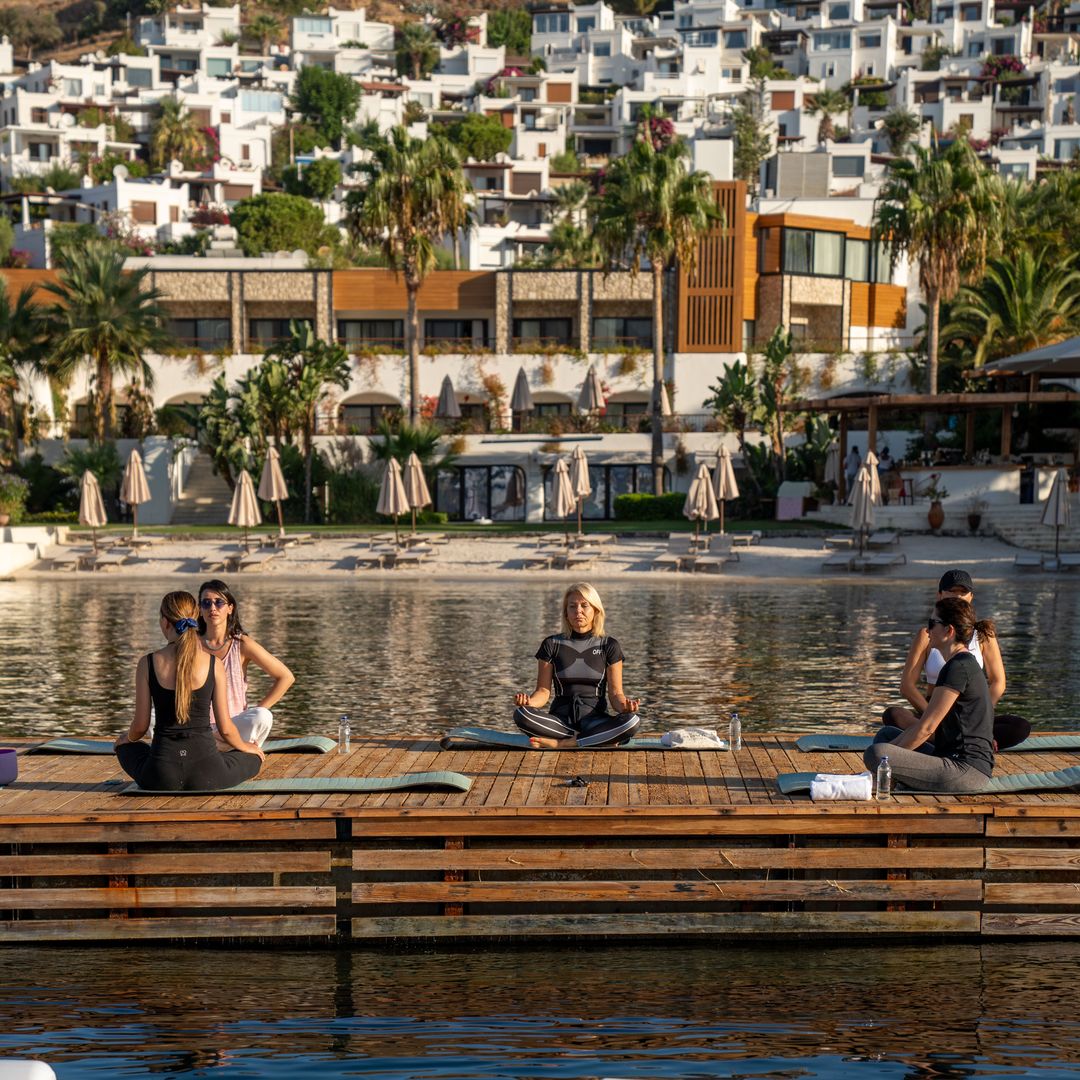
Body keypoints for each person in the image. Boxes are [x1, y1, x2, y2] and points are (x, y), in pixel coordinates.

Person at [115, 591, 265, 790]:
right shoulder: (213, 664)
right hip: (209, 774)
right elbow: (226, 729)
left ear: (165, 622)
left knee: (127, 748)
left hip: (160, 776)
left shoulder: (148, 663)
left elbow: (140, 727)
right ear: (195, 619)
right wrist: (248, 748)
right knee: (253, 757)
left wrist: (125, 740)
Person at [882, 569, 1030, 751]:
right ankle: (955, 739)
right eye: (952, 591)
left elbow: (998, 682)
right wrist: (933, 716)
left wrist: (980, 716)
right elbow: (907, 686)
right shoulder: (928, 634)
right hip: (933, 708)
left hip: (969, 711)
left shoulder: (983, 634)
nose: (957, 596)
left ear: (971, 597)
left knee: (1019, 727)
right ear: (940, 595)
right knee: (894, 715)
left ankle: (944, 739)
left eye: (962, 592)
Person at [864, 596, 994, 793]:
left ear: (949, 631)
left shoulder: (958, 667)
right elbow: (926, 725)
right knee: (886, 735)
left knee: (876, 753)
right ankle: (891, 776)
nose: (927, 630)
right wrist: (890, 756)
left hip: (966, 771)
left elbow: (926, 729)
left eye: (932, 623)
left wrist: (885, 760)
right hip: (948, 757)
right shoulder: (956, 663)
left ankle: (888, 776)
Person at [513, 582, 641, 749]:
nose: (578, 611)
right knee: (522, 714)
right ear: (566, 613)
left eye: (584, 606)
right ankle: (594, 740)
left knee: (631, 721)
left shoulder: (609, 645)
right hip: (559, 722)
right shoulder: (551, 644)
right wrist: (529, 702)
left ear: (595, 610)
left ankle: (565, 743)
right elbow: (543, 691)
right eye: (572, 606)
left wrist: (625, 707)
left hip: (595, 720)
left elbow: (616, 694)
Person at [198, 579, 295, 750]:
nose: (212, 608)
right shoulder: (190, 645)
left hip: (233, 728)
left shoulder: (241, 644)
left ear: (230, 608)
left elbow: (286, 677)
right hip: (198, 729)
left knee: (262, 716)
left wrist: (258, 708)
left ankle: (222, 745)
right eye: (206, 603)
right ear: (200, 609)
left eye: (219, 602)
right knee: (156, 716)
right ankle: (221, 746)